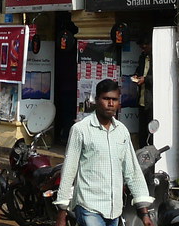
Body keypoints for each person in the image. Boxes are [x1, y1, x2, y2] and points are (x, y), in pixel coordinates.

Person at [55, 79, 153, 226]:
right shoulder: (81, 129)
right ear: (97, 100)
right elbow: (69, 169)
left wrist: (144, 213)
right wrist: (62, 211)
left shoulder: (122, 132)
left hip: (114, 210)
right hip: (89, 206)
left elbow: (132, 172)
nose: (110, 103)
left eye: (114, 99)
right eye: (106, 99)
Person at [131, 40, 153, 144]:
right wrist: (136, 76)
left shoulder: (158, 58)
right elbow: (139, 71)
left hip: (152, 102)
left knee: (152, 131)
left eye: (146, 43)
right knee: (142, 131)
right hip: (142, 101)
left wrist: (146, 79)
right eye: (141, 44)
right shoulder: (142, 57)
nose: (143, 46)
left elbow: (161, 77)